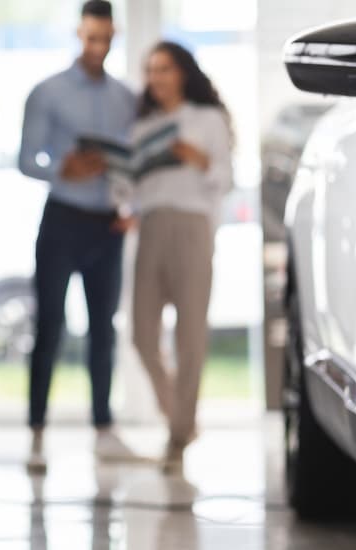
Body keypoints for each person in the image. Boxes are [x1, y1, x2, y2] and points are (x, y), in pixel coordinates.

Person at [18, 0, 139, 470]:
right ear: (78, 33)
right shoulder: (47, 93)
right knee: (50, 326)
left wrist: (132, 205)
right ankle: (36, 434)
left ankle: (104, 429)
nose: (98, 47)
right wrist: (61, 168)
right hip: (62, 219)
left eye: (106, 39)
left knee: (103, 329)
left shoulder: (126, 97)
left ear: (114, 35)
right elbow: (27, 160)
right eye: (91, 38)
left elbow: (138, 161)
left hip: (107, 225)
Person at [125, 41, 234, 470]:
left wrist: (200, 159)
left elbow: (225, 179)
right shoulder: (141, 128)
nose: (157, 78)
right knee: (142, 335)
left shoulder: (208, 119)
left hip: (192, 227)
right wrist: (121, 192)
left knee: (190, 336)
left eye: (165, 69)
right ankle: (180, 417)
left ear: (183, 73)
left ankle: (176, 437)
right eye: (151, 70)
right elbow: (131, 187)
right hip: (150, 226)